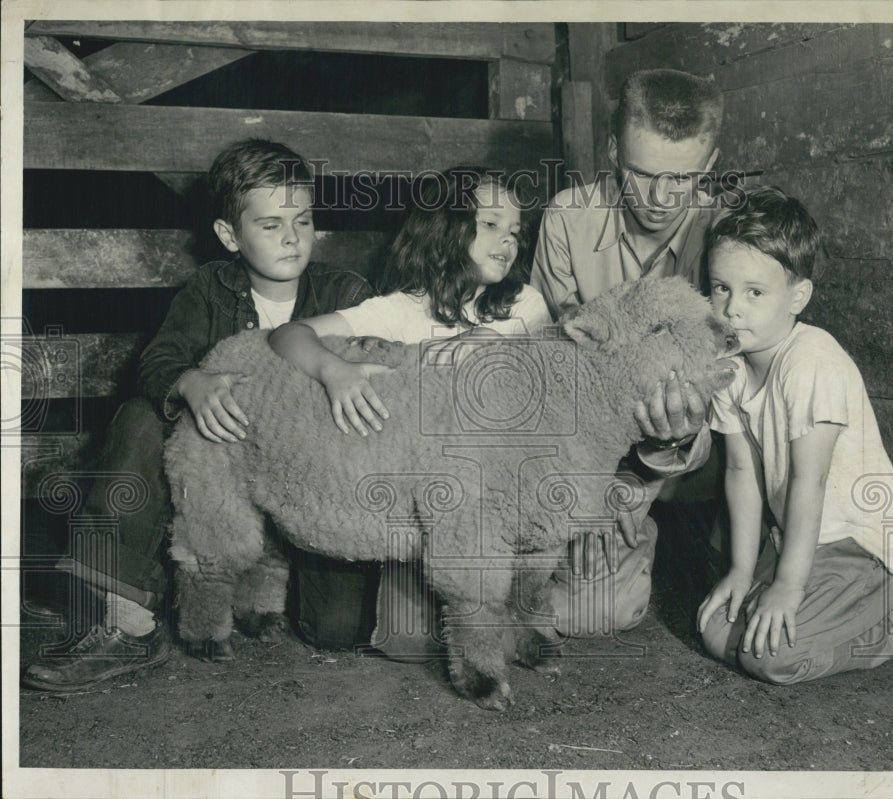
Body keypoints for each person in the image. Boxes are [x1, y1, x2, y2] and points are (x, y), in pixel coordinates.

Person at [23, 139, 375, 691]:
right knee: (143, 416)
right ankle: (128, 621)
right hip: (222, 476)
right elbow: (158, 359)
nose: (291, 237)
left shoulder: (346, 293)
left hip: (307, 487)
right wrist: (191, 381)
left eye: (303, 220)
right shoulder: (210, 288)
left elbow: (379, 381)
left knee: (336, 629)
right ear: (230, 236)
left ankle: (262, 572)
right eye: (270, 225)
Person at [269, 168, 553, 659]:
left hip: (498, 496)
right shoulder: (401, 309)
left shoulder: (524, 306)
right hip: (417, 506)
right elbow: (285, 336)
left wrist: (423, 359)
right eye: (490, 224)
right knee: (392, 640)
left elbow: (511, 367)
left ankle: (515, 594)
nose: (508, 239)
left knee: (480, 618)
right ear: (445, 225)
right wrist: (334, 368)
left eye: (515, 231)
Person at [696, 186, 893, 684]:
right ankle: (833, 611)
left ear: (798, 296)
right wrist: (742, 572)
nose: (731, 309)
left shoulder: (811, 360)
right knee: (714, 632)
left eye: (755, 292)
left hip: (862, 546)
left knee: (766, 658)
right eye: (720, 287)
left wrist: (788, 587)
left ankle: (889, 627)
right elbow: (738, 470)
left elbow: (807, 483)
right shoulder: (728, 364)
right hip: (801, 537)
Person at [530, 68, 726, 636]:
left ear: (709, 166)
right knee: (584, 613)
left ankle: (676, 534)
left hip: (695, 454)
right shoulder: (568, 218)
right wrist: (590, 492)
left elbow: (732, 392)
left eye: (683, 180)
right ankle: (623, 537)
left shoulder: (725, 232)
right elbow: (557, 370)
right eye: (641, 175)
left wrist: (662, 452)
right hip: (593, 445)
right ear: (613, 149)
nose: (661, 201)